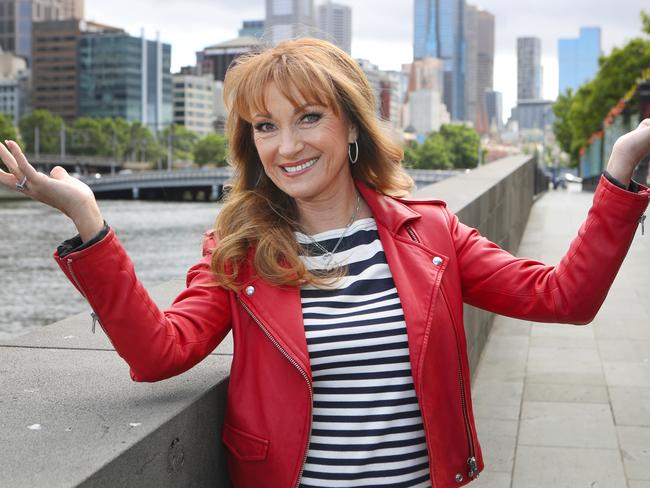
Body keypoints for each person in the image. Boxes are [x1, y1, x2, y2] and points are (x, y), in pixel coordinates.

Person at [0, 38, 648, 488]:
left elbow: (565, 297)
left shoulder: (432, 235)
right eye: (265, 126)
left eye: (308, 118)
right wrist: (90, 223)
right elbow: (159, 353)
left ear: (351, 124)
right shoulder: (240, 250)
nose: (287, 146)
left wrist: (620, 167)